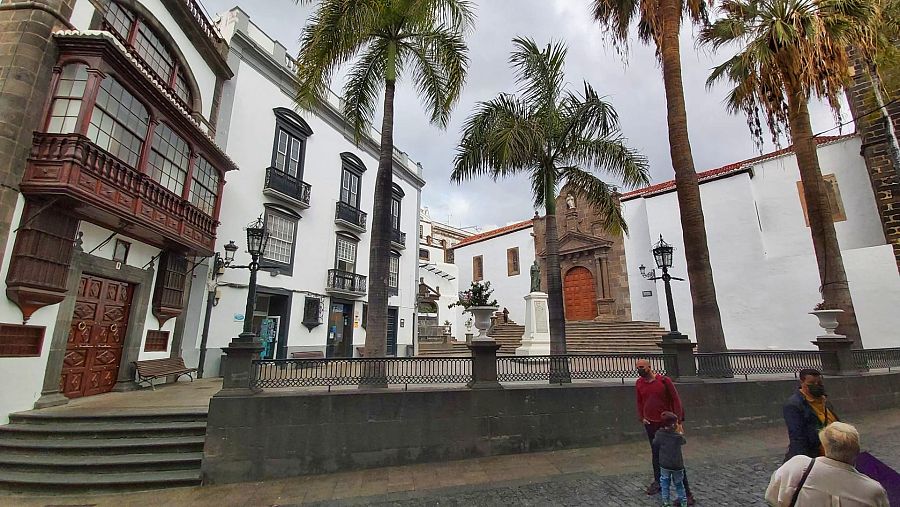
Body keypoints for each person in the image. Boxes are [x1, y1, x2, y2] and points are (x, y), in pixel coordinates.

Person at [765, 422, 889, 506]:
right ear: (857, 451)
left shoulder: (797, 467)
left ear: (824, 448)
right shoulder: (873, 491)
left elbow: (771, 497)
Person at [635, 359, 694, 505]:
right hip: (650, 423)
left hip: (665, 425)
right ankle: (658, 482)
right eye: (637, 368)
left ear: (649, 367)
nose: (639, 370)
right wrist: (642, 417)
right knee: (655, 454)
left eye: (642, 367)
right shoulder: (639, 383)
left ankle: (687, 494)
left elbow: (676, 400)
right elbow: (639, 401)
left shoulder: (664, 381)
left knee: (673, 458)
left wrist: (678, 421)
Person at [783, 368, 839, 461]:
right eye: (812, 383)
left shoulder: (824, 400)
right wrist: (804, 461)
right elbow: (797, 436)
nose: (816, 386)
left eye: (819, 383)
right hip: (814, 454)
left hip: (833, 451)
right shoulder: (794, 405)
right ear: (802, 382)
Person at [653, 411, 688, 507]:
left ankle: (666, 502)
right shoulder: (677, 436)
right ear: (673, 424)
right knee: (679, 484)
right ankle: (683, 502)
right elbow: (683, 441)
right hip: (677, 465)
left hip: (664, 464)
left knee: (664, 484)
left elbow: (655, 443)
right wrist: (680, 431)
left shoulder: (659, 434)